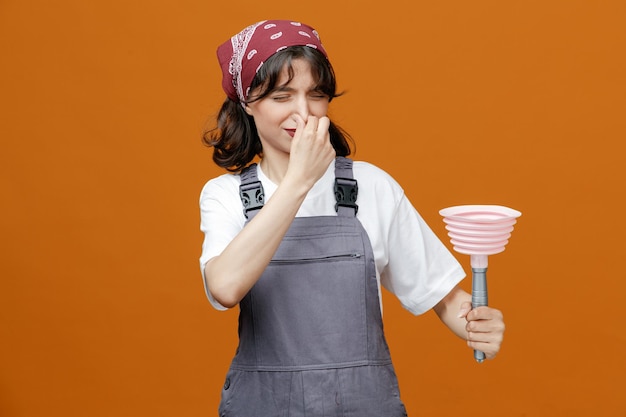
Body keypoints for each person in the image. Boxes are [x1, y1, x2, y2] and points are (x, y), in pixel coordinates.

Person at [199, 19, 505, 416]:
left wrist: (477, 324)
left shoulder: (371, 187)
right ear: (247, 103)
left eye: (316, 94)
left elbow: (443, 297)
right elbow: (224, 287)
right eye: (281, 96)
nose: (303, 112)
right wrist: (299, 182)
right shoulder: (225, 196)